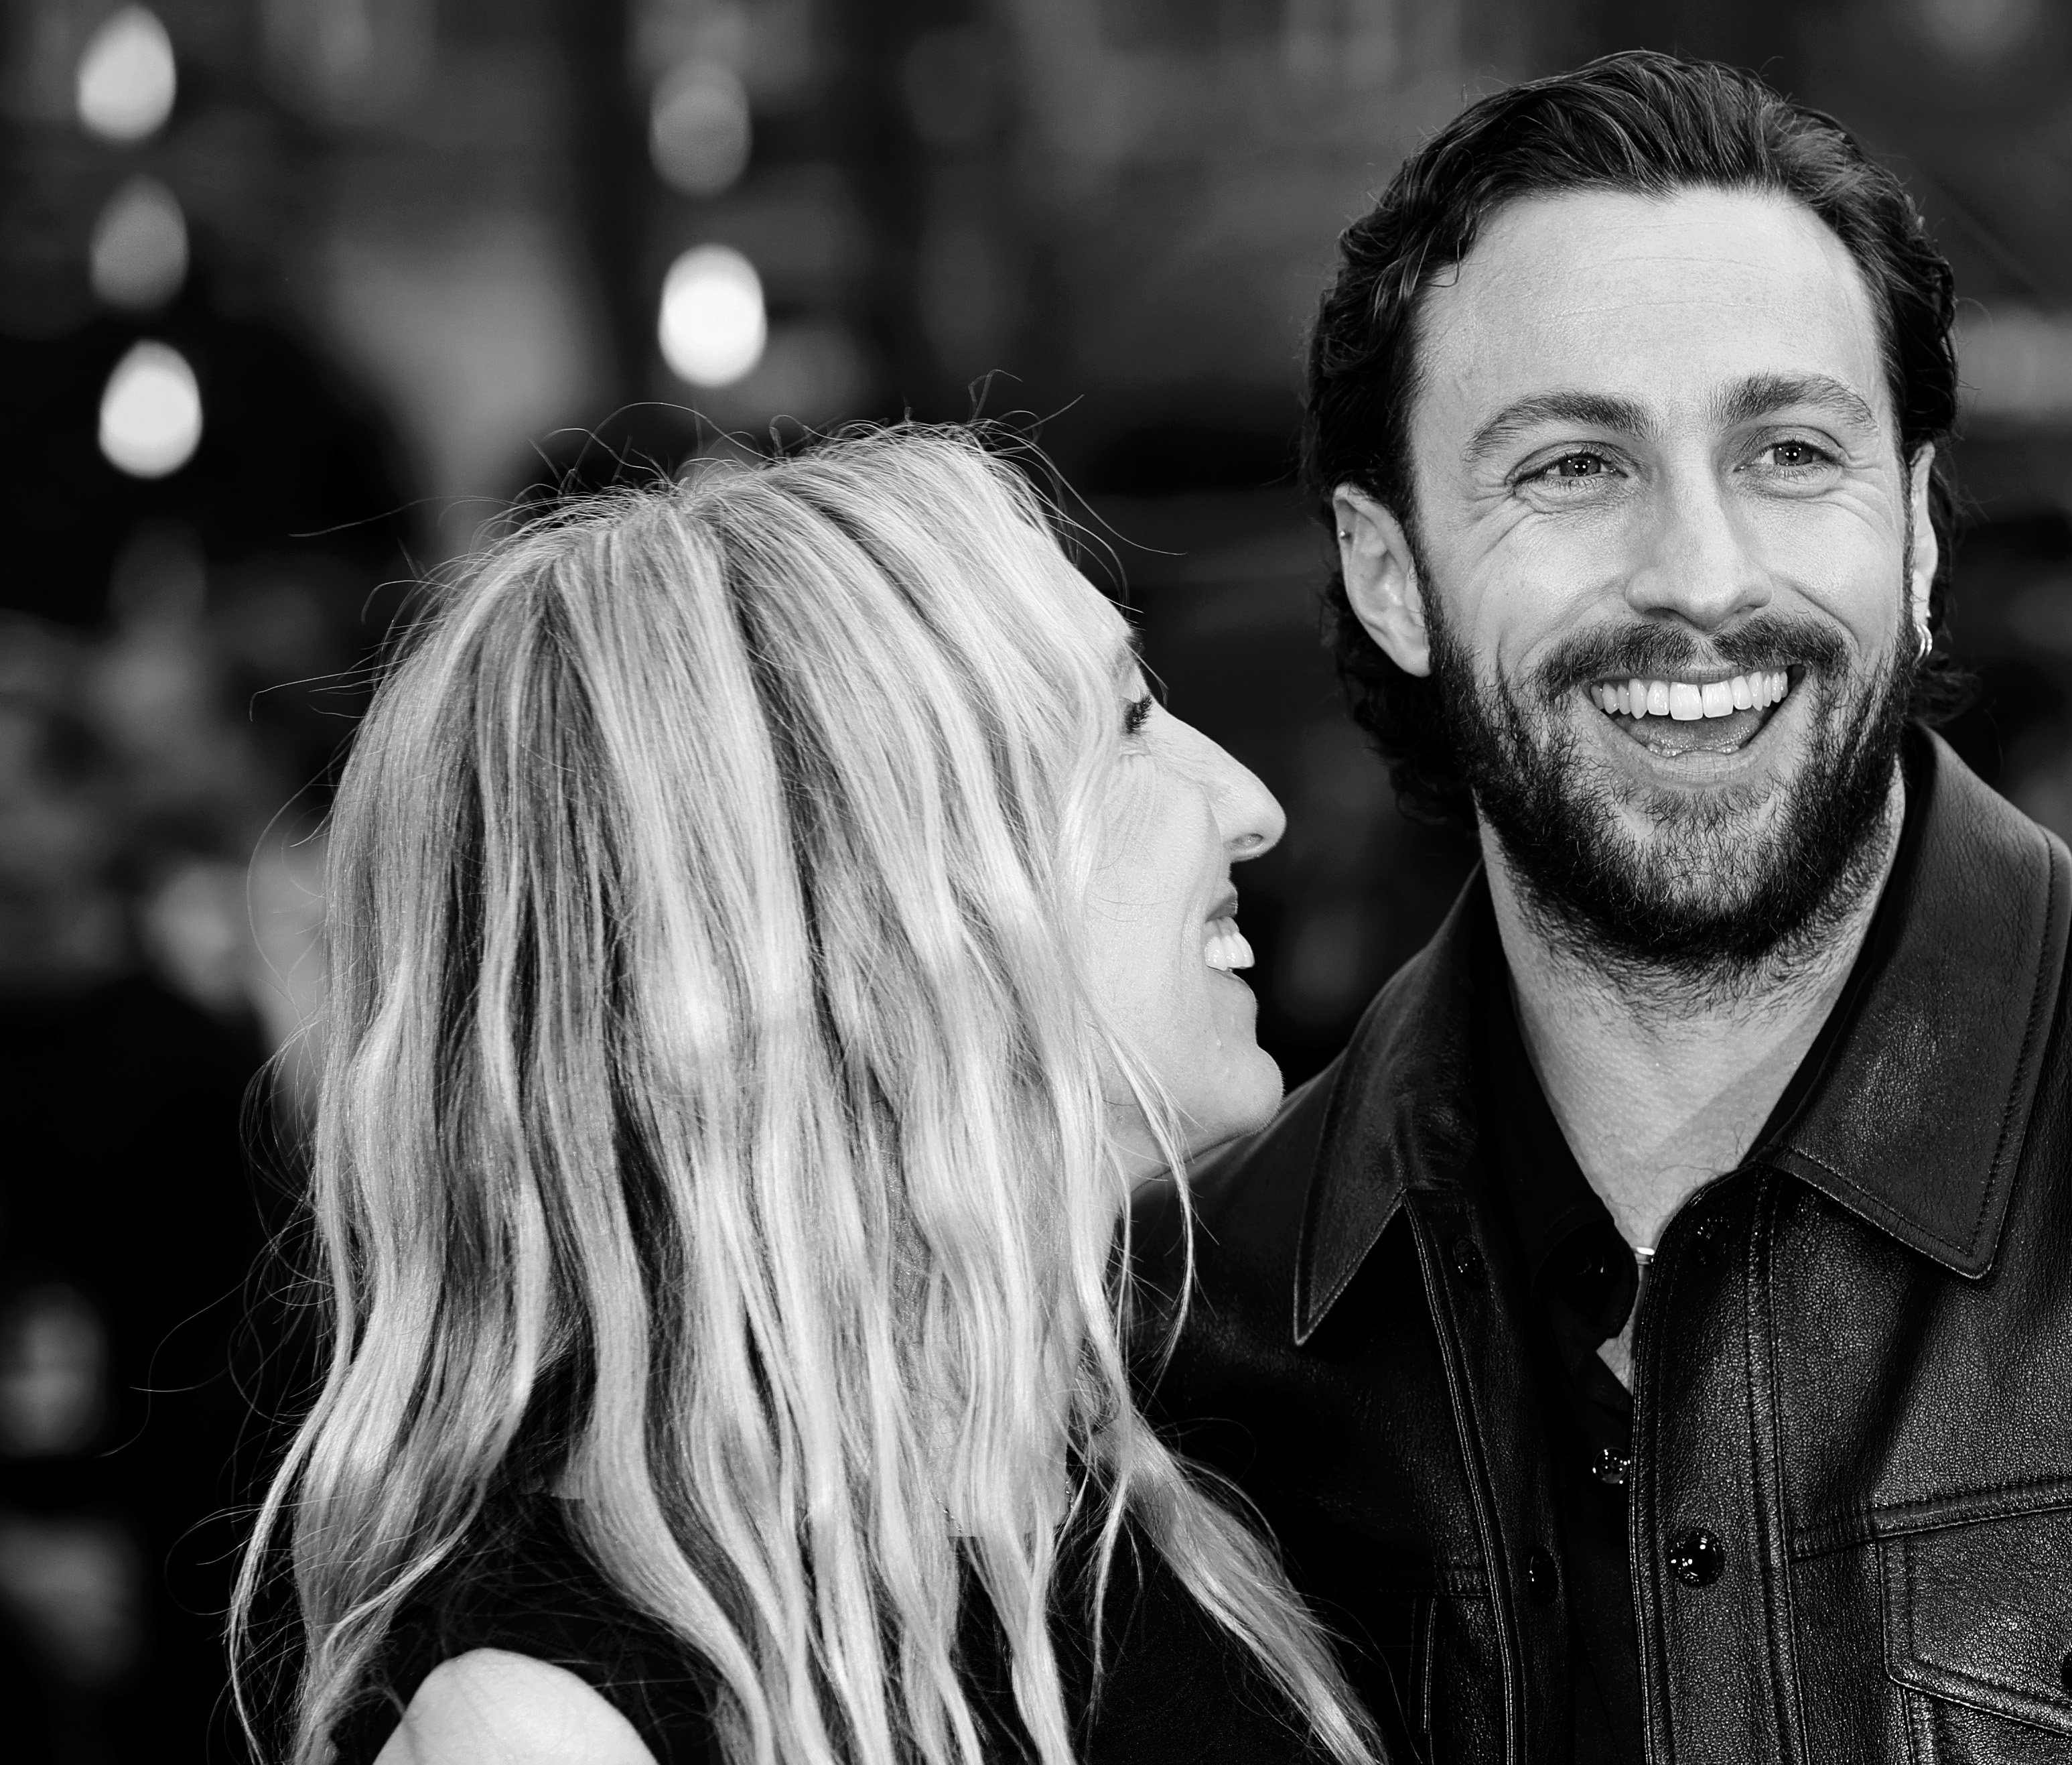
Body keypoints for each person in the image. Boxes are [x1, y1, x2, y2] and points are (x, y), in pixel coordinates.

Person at [1130, 51, 2072, 1764]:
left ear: (1916, 536)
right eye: (1567, 467)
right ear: (1390, 573)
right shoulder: (1207, 1336)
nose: (1700, 576)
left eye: (1787, 450)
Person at [232, 427, 1380, 1765]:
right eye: (1124, 726)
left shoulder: (1199, 1503)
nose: (1247, 804)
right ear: (875, 915)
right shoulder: (549, 1723)